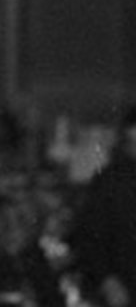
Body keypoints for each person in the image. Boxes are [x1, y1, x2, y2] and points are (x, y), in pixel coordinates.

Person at [71, 104, 136, 307]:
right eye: (132, 142)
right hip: (123, 290)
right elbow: (89, 237)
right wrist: (108, 282)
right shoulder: (112, 181)